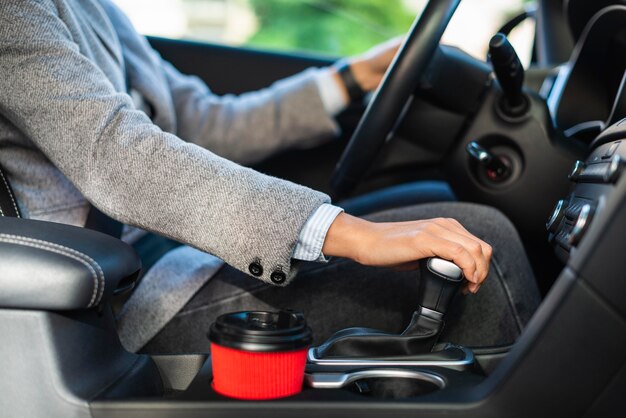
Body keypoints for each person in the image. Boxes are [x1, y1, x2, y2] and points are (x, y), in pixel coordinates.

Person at [0, 0, 540, 353]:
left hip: (176, 256)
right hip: (120, 304)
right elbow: (116, 153)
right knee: (486, 247)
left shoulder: (89, 6)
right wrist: (350, 233)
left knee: (438, 205)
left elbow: (202, 121)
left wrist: (353, 77)